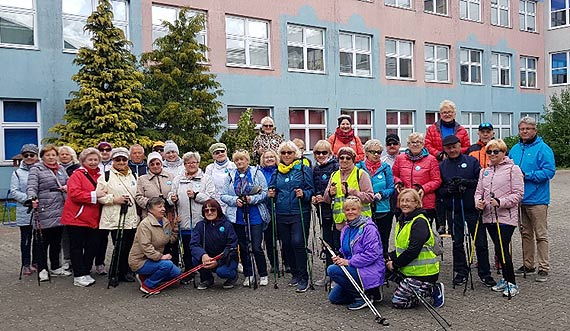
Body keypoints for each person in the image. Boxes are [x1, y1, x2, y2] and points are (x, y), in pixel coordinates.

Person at [438, 135, 496, 287]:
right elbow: (440, 190)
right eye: (449, 148)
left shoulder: (471, 161)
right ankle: (461, 271)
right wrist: (449, 189)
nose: (452, 150)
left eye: (454, 146)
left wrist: (467, 183)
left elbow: (481, 182)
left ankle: (485, 273)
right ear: (445, 149)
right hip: (454, 209)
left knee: (481, 242)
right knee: (457, 242)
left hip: (472, 209)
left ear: (460, 146)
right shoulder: (443, 166)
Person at [509, 116, 556, 282]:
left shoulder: (543, 149)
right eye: (522, 129)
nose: (525, 131)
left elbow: (549, 172)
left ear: (535, 130)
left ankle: (544, 266)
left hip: (538, 199)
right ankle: (528, 264)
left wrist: (527, 175)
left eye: (528, 128)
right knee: (525, 234)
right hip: (520, 199)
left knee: (541, 234)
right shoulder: (514, 149)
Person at [475, 139, 524, 297]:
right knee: (497, 248)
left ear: (503, 153)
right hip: (489, 217)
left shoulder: (513, 169)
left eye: (496, 151)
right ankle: (504, 278)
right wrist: (478, 202)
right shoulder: (485, 171)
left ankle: (512, 283)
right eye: (489, 152)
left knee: (503, 249)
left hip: (506, 217)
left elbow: (518, 194)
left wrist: (500, 202)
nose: (492, 155)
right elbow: (478, 192)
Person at [268, 141, 314, 293]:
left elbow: (310, 190)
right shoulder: (277, 171)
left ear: (296, 154)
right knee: (286, 244)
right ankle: (295, 273)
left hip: (299, 212)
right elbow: (272, 189)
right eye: (283, 153)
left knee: (298, 242)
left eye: (289, 153)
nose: (286, 155)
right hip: (281, 212)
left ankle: (303, 276)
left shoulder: (302, 169)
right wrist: (271, 194)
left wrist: (304, 194)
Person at [386, 189, 444, 309]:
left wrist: (395, 264)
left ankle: (431, 290)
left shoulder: (419, 222)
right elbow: (402, 249)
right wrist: (387, 257)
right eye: (402, 200)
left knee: (398, 302)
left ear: (416, 203)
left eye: (408, 201)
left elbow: (413, 251)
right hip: (409, 270)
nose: (404, 204)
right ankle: (408, 287)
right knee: (381, 263)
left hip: (423, 273)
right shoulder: (402, 220)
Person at [221, 150, 269, 287]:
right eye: (237, 160)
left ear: (247, 160)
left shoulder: (256, 173)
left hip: (255, 215)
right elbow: (223, 195)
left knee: (256, 246)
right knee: (243, 246)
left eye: (242, 159)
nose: (240, 162)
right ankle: (249, 274)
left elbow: (264, 192)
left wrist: (252, 199)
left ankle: (263, 273)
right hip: (238, 216)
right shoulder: (230, 175)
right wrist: (235, 200)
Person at [327, 196, 385, 310]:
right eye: (347, 210)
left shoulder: (369, 228)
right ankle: (369, 291)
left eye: (353, 209)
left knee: (332, 270)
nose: (350, 212)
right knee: (334, 298)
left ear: (360, 210)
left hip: (369, 267)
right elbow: (346, 251)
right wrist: (339, 258)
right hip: (354, 266)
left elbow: (372, 254)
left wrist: (348, 262)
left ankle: (362, 297)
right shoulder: (346, 229)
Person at [27, 144, 71, 281]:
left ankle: (56, 266)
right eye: (48, 155)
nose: (51, 158)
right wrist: (32, 198)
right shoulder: (36, 169)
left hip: (60, 208)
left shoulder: (61, 169)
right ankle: (43, 268)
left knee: (56, 241)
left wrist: (67, 187)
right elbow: (32, 186)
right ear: (42, 157)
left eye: (53, 155)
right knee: (42, 242)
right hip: (44, 209)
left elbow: (69, 182)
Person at [61, 147, 104, 287]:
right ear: (83, 161)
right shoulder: (77, 175)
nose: (93, 162)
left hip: (93, 218)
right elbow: (74, 194)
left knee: (92, 245)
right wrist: (94, 195)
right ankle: (78, 274)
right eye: (89, 160)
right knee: (77, 247)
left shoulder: (99, 176)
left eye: (95, 160)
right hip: (77, 218)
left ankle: (85, 271)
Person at [168, 151, 215, 273]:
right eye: (188, 163)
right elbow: (170, 195)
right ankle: (189, 271)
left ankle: (205, 271)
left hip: (200, 220)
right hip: (183, 220)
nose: (191, 165)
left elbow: (211, 198)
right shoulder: (178, 179)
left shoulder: (206, 179)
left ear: (198, 163)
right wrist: (172, 199)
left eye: (193, 162)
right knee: (187, 249)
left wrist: (196, 196)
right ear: (184, 164)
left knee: (202, 247)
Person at [96, 147, 138, 283]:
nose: (121, 162)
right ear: (113, 160)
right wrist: (114, 199)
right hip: (115, 216)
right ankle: (115, 272)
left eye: (124, 159)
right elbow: (99, 196)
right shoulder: (106, 176)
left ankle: (126, 271)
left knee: (129, 246)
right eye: (117, 159)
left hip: (131, 216)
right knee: (119, 245)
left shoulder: (133, 175)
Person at [129, 197, 181, 294]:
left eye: (163, 206)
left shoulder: (165, 221)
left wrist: (175, 229)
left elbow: (170, 239)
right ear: (150, 210)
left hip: (153, 260)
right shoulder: (145, 225)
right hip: (140, 261)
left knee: (176, 273)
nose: (163, 209)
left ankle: (144, 276)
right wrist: (161, 257)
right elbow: (146, 247)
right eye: (159, 207)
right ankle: (147, 285)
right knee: (167, 265)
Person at [356, 139, 395, 259]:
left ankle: (382, 267)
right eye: (373, 152)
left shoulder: (385, 168)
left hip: (383, 209)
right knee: (365, 240)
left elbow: (391, 188)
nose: (376, 154)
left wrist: (381, 194)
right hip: (364, 209)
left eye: (379, 152)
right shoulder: (359, 167)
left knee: (383, 240)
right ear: (366, 152)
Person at [392, 133, 442, 224]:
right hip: (405, 201)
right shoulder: (400, 158)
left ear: (423, 144)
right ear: (408, 145)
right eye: (412, 142)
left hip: (425, 202)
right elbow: (393, 175)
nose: (415, 144)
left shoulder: (431, 159)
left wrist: (424, 188)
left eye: (418, 142)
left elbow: (437, 180)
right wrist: (398, 182)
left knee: (422, 231)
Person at [190, 199, 239, 290]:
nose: (209, 212)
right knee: (195, 259)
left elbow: (232, 246)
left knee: (222, 272)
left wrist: (218, 261)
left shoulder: (227, 225)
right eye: (206, 210)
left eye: (212, 210)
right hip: (208, 258)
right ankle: (207, 279)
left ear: (218, 210)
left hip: (225, 259)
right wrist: (203, 255)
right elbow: (194, 244)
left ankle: (232, 276)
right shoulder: (200, 226)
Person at [323, 147, 374, 230]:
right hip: (340, 224)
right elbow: (326, 199)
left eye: (348, 158)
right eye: (341, 158)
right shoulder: (334, 175)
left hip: (360, 223)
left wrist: (352, 192)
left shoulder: (361, 174)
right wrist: (329, 193)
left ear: (353, 160)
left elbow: (370, 197)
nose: (344, 160)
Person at [310, 140, 339, 286]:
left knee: (337, 242)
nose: (321, 155)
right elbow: (314, 187)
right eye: (317, 153)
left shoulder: (336, 166)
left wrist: (326, 197)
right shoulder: (315, 168)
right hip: (322, 210)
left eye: (324, 152)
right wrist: (315, 196)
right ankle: (328, 273)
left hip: (335, 210)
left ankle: (338, 275)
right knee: (326, 242)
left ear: (330, 153)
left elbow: (337, 188)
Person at [10, 144, 39, 276]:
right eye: (25, 155)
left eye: (31, 155)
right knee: (26, 239)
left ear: (36, 156)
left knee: (38, 239)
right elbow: (14, 191)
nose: (28, 157)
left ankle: (36, 262)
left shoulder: (41, 169)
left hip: (39, 209)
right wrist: (28, 199)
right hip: (25, 209)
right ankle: (26, 264)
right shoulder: (17, 173)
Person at [260, 149, 282, 274]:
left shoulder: (280, 171)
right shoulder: (260, 173)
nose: (269, 159)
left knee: (283, 237)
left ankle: (287, 261)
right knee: (269, 238)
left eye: (271, 157)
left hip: (280, 207)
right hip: (266, 208)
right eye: (266, 157)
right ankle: (274, 263)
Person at [135, 152, 174, 220]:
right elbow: (138, 197)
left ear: (161, 164)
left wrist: (171, 200)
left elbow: (175, 193)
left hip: (168, 215)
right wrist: (152, 204)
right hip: (149, 216)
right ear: (148, 166)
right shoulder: (142, 179)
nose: (155, 166)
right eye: (152, 164)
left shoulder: (170, 177)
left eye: (157, 164)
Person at [205, 142, 236, 212]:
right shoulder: (210, 168)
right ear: (213, 156)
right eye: (217, 153)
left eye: (222, 151)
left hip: (232, 202)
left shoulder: (234, 166)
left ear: (226, 152)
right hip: (216, 203)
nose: (220, 154)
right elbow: (208, 186)